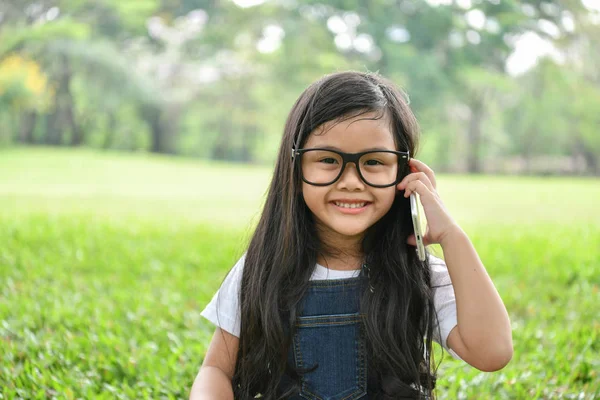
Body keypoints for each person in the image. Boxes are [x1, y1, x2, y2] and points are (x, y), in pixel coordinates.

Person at [190, 71, 513, 400]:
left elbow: (492, 352)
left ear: (404, 172)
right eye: (328, 160)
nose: (351, 181)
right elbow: (216, 369)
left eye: (373, 162)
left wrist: (452, 237)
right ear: (295, 167)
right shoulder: (262, 269)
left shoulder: (417, 272)